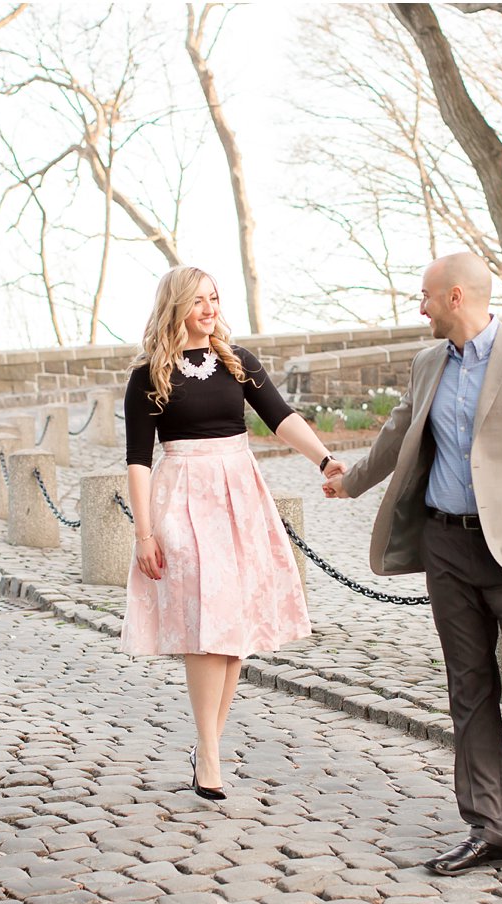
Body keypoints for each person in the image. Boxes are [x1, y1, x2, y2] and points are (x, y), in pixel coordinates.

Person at [324, 252, 502, 874]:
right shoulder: (427, 365)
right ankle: (490, 825)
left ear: (454, 297)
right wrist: (351, 482)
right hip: (446, 547)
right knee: (469, 689)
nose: (417, 308)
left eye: (423, 297)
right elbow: (398, 432)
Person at [121, 266, 338, 800]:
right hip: (182, 497)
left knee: (232, 629)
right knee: (205, 620)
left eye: (214, 298)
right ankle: (212, 754)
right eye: (197, 300)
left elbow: (281, 418)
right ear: (175, 307)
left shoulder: (239, 363)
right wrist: (144, 533)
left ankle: (206, 747)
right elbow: (137, 461)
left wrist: (325, 460)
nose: (209, 307)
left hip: (239, 495)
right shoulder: (150, 375)